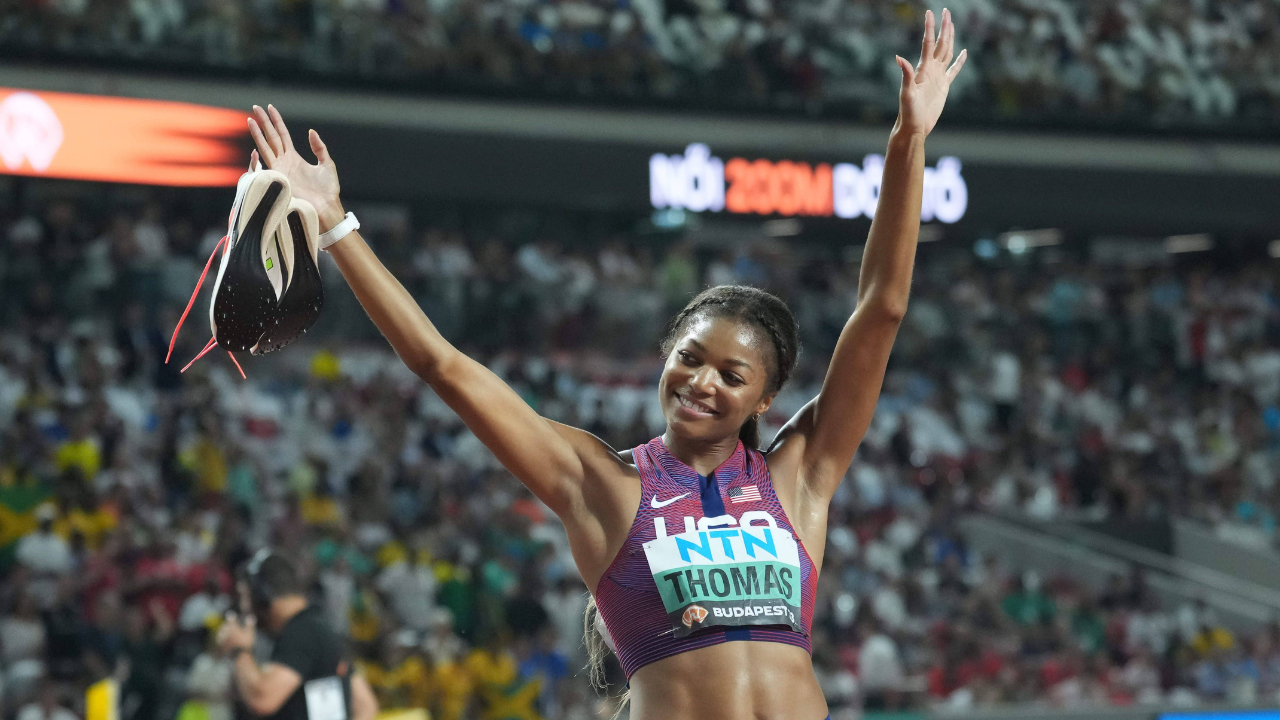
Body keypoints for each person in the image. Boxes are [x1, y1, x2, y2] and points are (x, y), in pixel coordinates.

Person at [244, 10, 966, 719]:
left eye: (731, 376)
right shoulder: (603, 483)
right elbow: (442, 365)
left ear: (766, 400)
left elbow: (882, 309)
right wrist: (336, 225)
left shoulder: (800, 477)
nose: (701, 382)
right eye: (690, 358)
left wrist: (908, 139)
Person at [216, 550, 378, 720]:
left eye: (244, 596)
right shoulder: (321, 628)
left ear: (261, 594)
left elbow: (262, 700)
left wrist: (239, 650)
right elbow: (366, 705)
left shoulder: (301, 633)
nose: (244, 607)